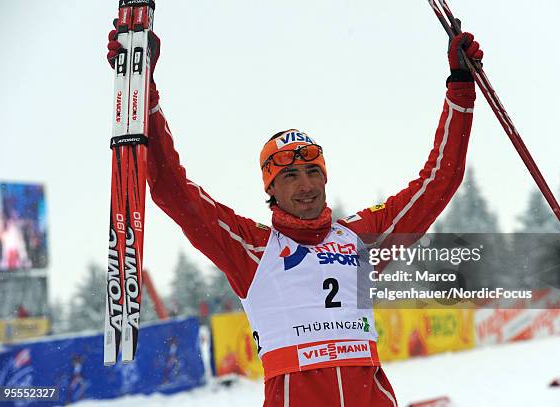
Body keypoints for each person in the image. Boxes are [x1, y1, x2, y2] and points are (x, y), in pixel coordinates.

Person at [107, 19, 483, 407]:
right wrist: (143, 90)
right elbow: (172, 189)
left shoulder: (362, 237)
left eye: (312, 171)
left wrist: (460, 85)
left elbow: (438, 182)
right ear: (270, 188)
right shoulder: (251, 248)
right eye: (289, 175)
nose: (305, 185)